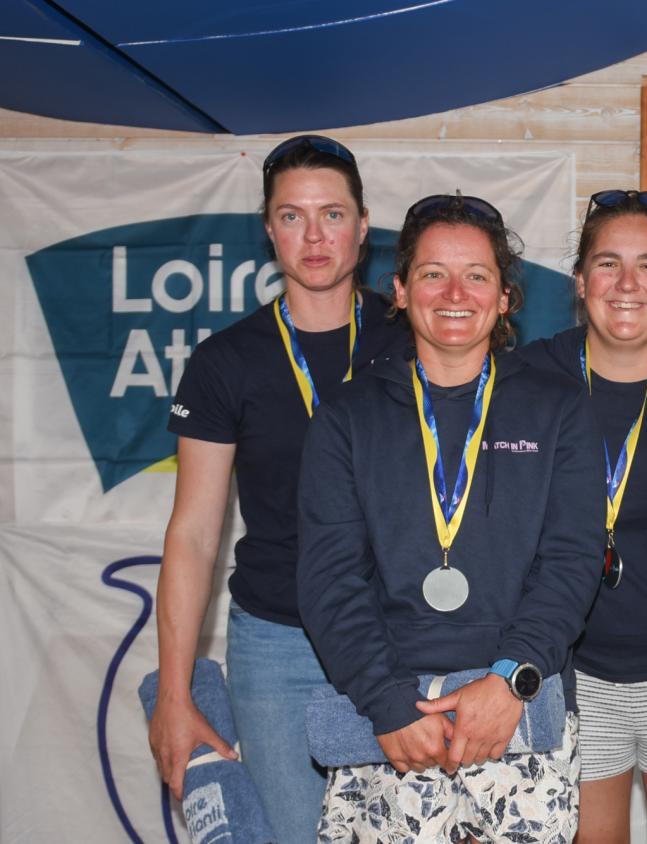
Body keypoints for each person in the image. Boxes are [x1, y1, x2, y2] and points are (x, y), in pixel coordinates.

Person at [295, 193, 606, 843]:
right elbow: (330, 579)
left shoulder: (559, 408)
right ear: (401, 290)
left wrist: (511, 680)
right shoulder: (347, 417)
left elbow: (572, 561)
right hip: (390, 723)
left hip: (515, 712)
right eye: (433, 273)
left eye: (477, 276)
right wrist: (387, 703)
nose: (455, 293)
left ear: (505, 297)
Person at [147, 135, 407, 842]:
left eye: (332, 214)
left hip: (401, 636)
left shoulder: (412, 341)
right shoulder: (225, 361)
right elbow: (194, 534)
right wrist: (174, 693)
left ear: (363, 225)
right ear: (269, 229)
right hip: (278, 641)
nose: (314, 236)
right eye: (293, 216)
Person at [517, 189, 647, 844]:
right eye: (607, 263)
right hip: (570, 674)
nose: (627, 284)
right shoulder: (527, 376)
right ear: (580, 281)